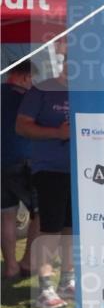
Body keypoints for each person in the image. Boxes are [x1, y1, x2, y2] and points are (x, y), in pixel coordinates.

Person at [16, 63, 75, 308]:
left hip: (82, 171)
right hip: (49, 170)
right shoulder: (42, 90)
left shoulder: (87, 90)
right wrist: (57, 133)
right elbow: (21, 126)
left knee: (72, 228)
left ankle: (67, 281)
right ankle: (44, 289)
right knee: (49, 228)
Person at [2, 62, 39, 280]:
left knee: (5, 216)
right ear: (25, 77)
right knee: (40, 214)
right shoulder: (27, 98)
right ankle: (28, 262)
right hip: (22, 161)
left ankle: (10, 267)